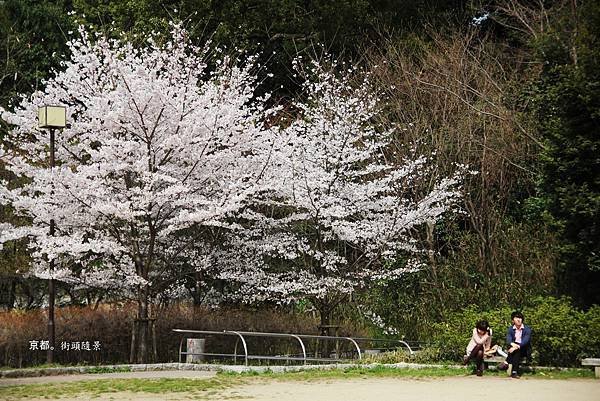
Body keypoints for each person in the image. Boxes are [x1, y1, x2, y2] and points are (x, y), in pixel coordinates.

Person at [499, 311, 532, 379]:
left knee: (517, 349)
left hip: (524, 349)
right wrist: (513, 345)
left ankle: (506, 362)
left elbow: (525, 341)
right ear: (513, 320)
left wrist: (516, 346)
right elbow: (508, 339)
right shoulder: (511, 329)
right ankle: (514, 372)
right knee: (516, 351)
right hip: (514, 350)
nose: (519, 319)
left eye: (520, 318)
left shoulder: (527, 329)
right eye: (516, 318)